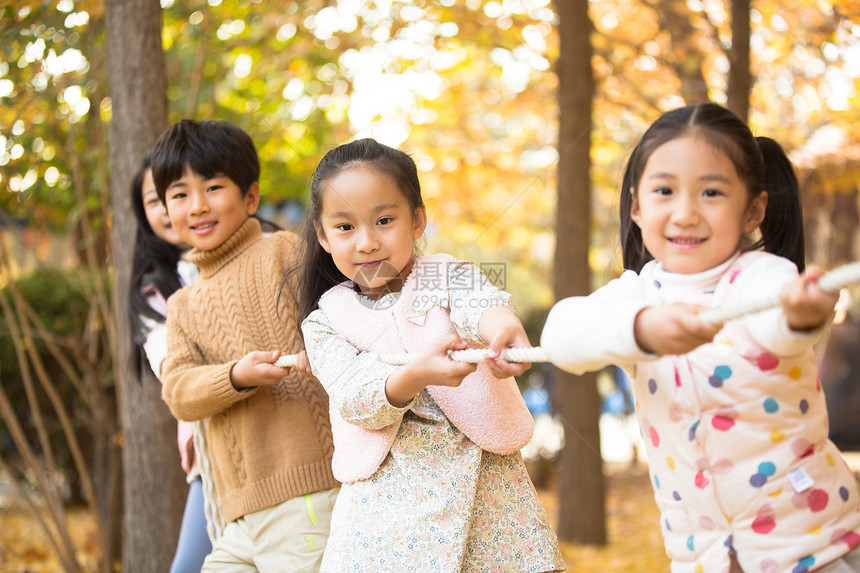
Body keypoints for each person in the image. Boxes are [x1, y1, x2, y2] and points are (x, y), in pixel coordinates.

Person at [540, 102, 860, 573]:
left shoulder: (762, 276)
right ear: (636, 207)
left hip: (812, 544)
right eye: (665, 190)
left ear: (753, 210)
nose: (686, 213)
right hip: (704, 556)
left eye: (711, 192)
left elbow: (778, 323)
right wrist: (641, 328)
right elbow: (561, 334)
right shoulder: (635, 293)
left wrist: (802, 315)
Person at [294, 138, 565, 572]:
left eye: (384, 220)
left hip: (488, 503)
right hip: (384, 513)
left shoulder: (444, 275)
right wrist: (416, 374)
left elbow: (481, 301)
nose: (366, 242)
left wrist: (503, 330)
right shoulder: (325, 321)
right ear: (323, 235)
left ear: (417, 219)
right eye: (345, 227)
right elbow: (354, 397)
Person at [152, 119, 339, 573]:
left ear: (250, 197)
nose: (197, 206)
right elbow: (177, 390)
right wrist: (235, 376)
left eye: (213, 188)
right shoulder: (182, 304)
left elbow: (342, 314)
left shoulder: (283, 253)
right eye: (179, 194)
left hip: (307, 495)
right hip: (237, 517)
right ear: (164, 208)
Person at [127, 152, 214, 572]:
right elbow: (177, 374)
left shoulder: (266, 250)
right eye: (156, 199)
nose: (171, 208)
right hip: (211, 442)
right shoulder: (153, 291)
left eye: (176, 193)